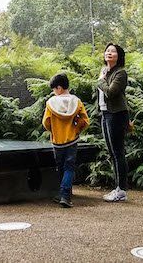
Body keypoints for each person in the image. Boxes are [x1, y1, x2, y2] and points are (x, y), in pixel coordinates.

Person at [42, 73, 90, 208]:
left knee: (61, 167)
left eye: (53, 89)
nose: (53, 92)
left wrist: (54, 130)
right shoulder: (77, 102)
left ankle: (62, 194)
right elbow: (85, 121)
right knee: (69, 167)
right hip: (72, 140)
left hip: (57, 141)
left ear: (58, 88)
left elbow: (46, 122)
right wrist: (76, 129)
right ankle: (65, 195)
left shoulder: (50, 103)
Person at [98, 42, 129, 202]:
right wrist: (102, 78)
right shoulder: (105, 71)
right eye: (107, 50)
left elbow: (111, 92)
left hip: (116, 114)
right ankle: (117, 188)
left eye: (113, 51)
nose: (109, 53)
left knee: (118, 152)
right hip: (105, 113)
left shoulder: (120, 73)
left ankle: (121, 190)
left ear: (119, 56)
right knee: (112, 153)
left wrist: (100, 81)